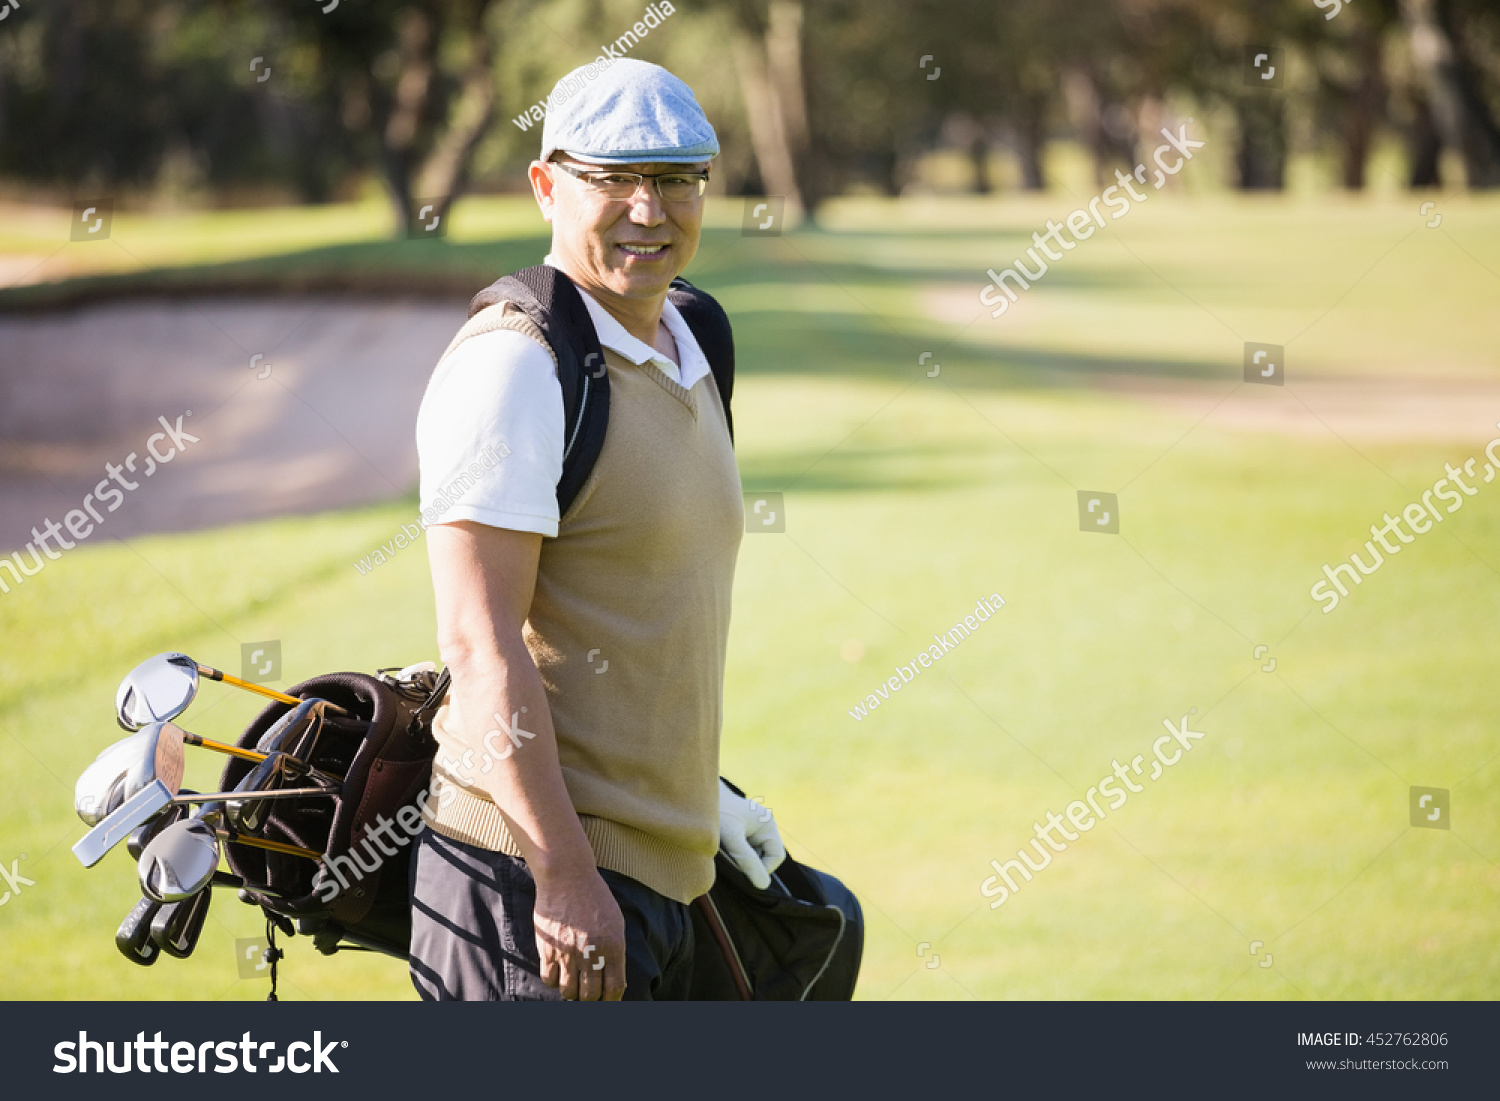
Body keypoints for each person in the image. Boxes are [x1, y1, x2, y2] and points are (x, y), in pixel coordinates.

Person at [408, 59, 785, 1001]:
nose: (647, 210)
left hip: (668, 870)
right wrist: (567, 876)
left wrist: (703, 804)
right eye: (611, 178)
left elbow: (642, 608)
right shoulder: (516, 366)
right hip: (528, 890)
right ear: (546, 185)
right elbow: (480, 642)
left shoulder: (696, 335)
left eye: (674, 180)